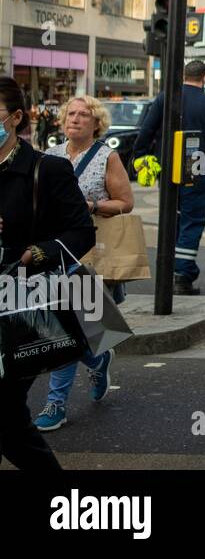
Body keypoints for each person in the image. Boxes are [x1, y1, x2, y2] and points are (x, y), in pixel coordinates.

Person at [0, 77, 96, 469]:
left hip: (23, 303)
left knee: (5, 412)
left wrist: (31, 255)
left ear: (16, 117)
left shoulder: (47, 169)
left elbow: (81, 231)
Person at [36, 96, 135, 432]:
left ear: (96, 123)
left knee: (69, 327)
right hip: (54, 252)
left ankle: (56, 403)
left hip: (91, 251)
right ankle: (97, 358)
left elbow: (126, 203)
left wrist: (90, 205)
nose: (75, 119)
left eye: (83, 115)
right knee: (68, 327)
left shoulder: (107, 156)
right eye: (71, 113)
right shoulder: (49, 156)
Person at [135, 60, 205, 295]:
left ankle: (170, 269)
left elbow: (146, 130)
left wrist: (140, 158)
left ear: (182, 76)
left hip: (168, 169)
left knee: (172, 218)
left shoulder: (164, 99)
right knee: (192, 220)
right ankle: (183, 274)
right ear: (204, 78)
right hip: (195, 170)